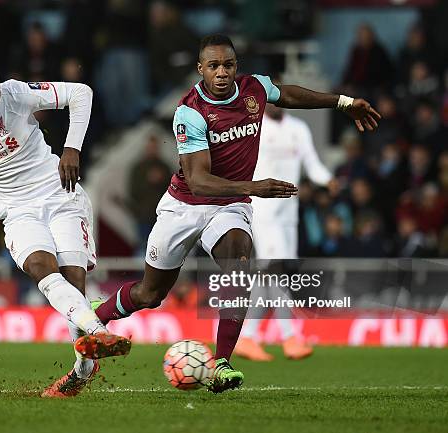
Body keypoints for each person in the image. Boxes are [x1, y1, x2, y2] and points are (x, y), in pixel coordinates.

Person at [93, 34, 380, 393]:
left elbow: (288, 93)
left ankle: (221, 362)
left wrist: (344, 102)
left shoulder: (253, 89)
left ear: (236, 66)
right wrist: (254, 187)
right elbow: (198, 182)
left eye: (228, 64)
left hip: (229, 206)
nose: (222, 72)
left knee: (239, 260)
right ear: (201, 70)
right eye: (213, 66)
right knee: (151, 295)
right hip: (184, 206)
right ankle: (96, 317)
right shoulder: (190, 112)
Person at [0, 56, 131, 399]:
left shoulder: (15, 94)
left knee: (73, 283)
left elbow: (81, 93)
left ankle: (83, 369)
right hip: (16, 210)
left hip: (62, 195)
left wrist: (72, 148)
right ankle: (98, 332)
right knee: (40, 268)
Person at [233, 102, 337, 362]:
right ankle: (289, 337)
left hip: (289, 212)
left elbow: (312, 163)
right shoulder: (252, 127)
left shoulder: (298, 129)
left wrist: (327, 179)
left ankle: (248, 337)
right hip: (263, 209)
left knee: (269, 275)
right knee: (274, 271)